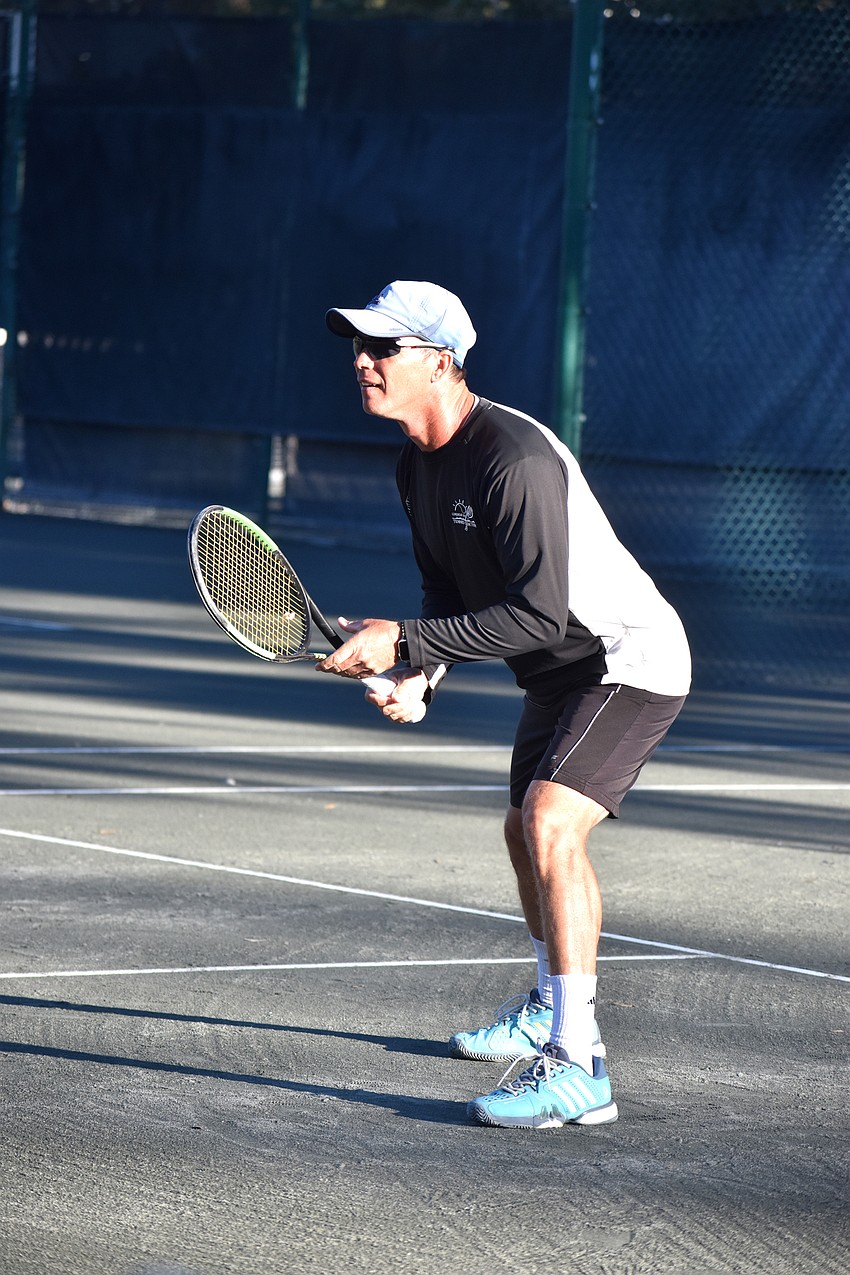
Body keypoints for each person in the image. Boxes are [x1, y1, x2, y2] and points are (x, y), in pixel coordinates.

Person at [316, 280, 691, 1129]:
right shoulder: (415, 462)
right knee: (522, 827)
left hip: (625, 657)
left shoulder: (511, 458)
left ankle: (577, 1060)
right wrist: (423, 672)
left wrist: (402, 643)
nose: (364, 362)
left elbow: (536, 610)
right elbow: (447, 588)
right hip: (557, 671)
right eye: (359, 348)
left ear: (440, 362)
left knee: (552, 821)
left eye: (384, 348)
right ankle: (551, 1001)